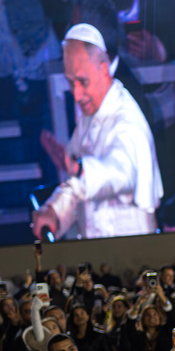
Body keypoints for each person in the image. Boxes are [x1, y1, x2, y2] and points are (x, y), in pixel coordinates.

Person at [32, 24, 162, 240]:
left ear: (103, 69)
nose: (76, 94)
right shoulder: (90, 117)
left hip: (131, 254)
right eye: (71, 83)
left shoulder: (128, 122)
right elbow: (76, 188)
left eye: (82, 82)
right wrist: (54, 212)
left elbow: (119, 174)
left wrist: (78, 168)